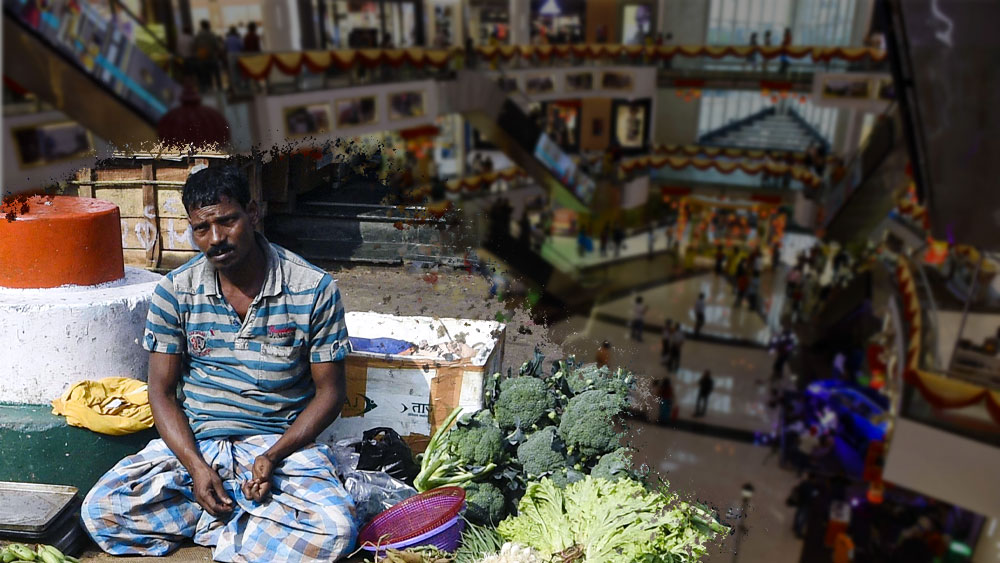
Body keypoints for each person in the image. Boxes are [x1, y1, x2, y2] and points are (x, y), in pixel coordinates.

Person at [81, 167, 358, 561]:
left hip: (276, 448)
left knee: (336, 530)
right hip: (199, 444)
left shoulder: (312, 288)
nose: (215, 239)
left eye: (227, 221)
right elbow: (160, 391)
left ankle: (220, 527)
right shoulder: (175, 291)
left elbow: (331, 393)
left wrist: (273, 456)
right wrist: (195, 467)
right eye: (201, 228)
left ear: (253, 211)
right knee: (100, 512)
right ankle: (248, 524)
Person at [193, 20, 221, 91]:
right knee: (216, 74)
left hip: (201, 58)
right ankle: (219, 88)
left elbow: (195, 47)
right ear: (208, 26)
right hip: (212, 58)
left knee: (204, 75)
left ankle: (205, 88)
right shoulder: (212, 35)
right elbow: (217, 46)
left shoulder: (197, 35)